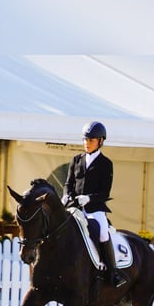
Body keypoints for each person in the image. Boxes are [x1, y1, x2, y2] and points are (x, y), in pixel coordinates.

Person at [61, 121, 126, 287]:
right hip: (74, 207)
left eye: (91, 140)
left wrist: (89, 198)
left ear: (100, 141)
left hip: (94, 209)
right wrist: (66, 195)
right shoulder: (76, 160)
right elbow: (68, 183)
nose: (87, 143)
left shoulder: (106, 163)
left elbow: (105, 193)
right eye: (85, 140)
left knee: (103, 232)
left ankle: (112, 272)